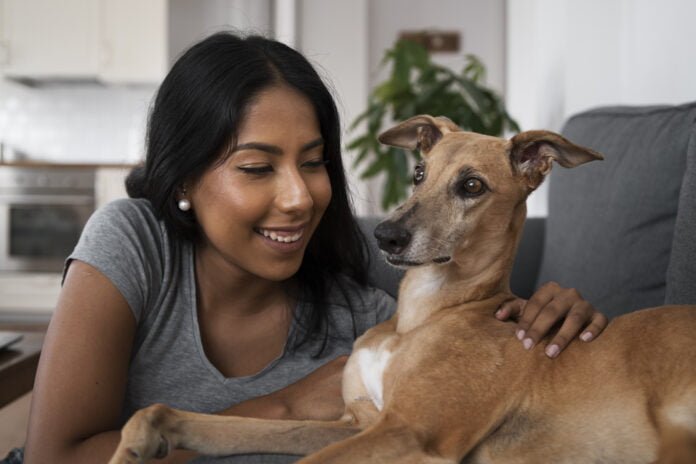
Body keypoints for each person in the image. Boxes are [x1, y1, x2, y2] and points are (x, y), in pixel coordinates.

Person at [17, 32, 608, 464]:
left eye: (314, 161)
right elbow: (55, 457)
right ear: (182, 180)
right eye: (256, 167)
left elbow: (467, 379)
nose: (300, 197)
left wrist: (552, 333)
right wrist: (288, 404)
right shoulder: (133, 243)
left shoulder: (371, 324)